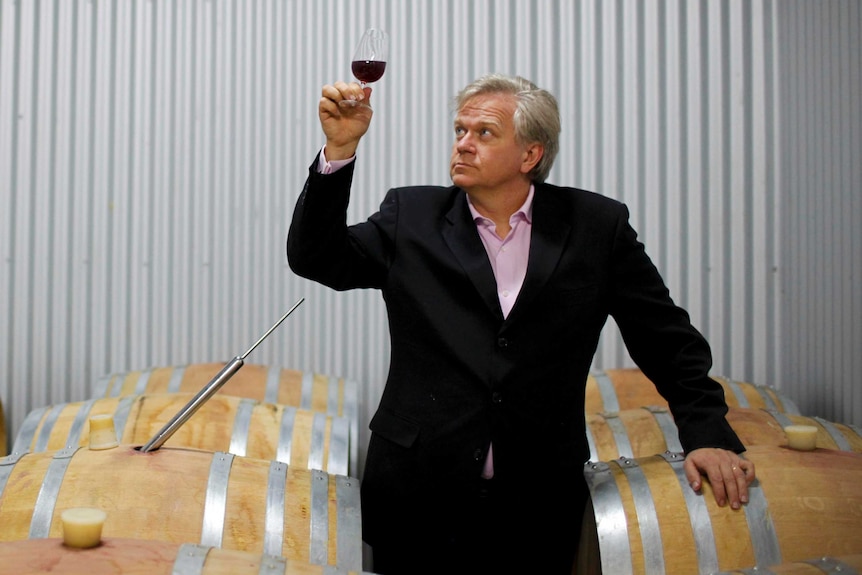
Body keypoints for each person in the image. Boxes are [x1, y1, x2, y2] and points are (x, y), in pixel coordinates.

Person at [287, 73, 756, 575]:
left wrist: (707, 432)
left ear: (530, 155)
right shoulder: (413, 215)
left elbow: (666, 340)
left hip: (538, 498)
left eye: (484, 134)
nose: (463, 144)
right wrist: (339, 150)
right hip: (419, 491)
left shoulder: (596, 227)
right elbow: (317, 258)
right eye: (459, 130)